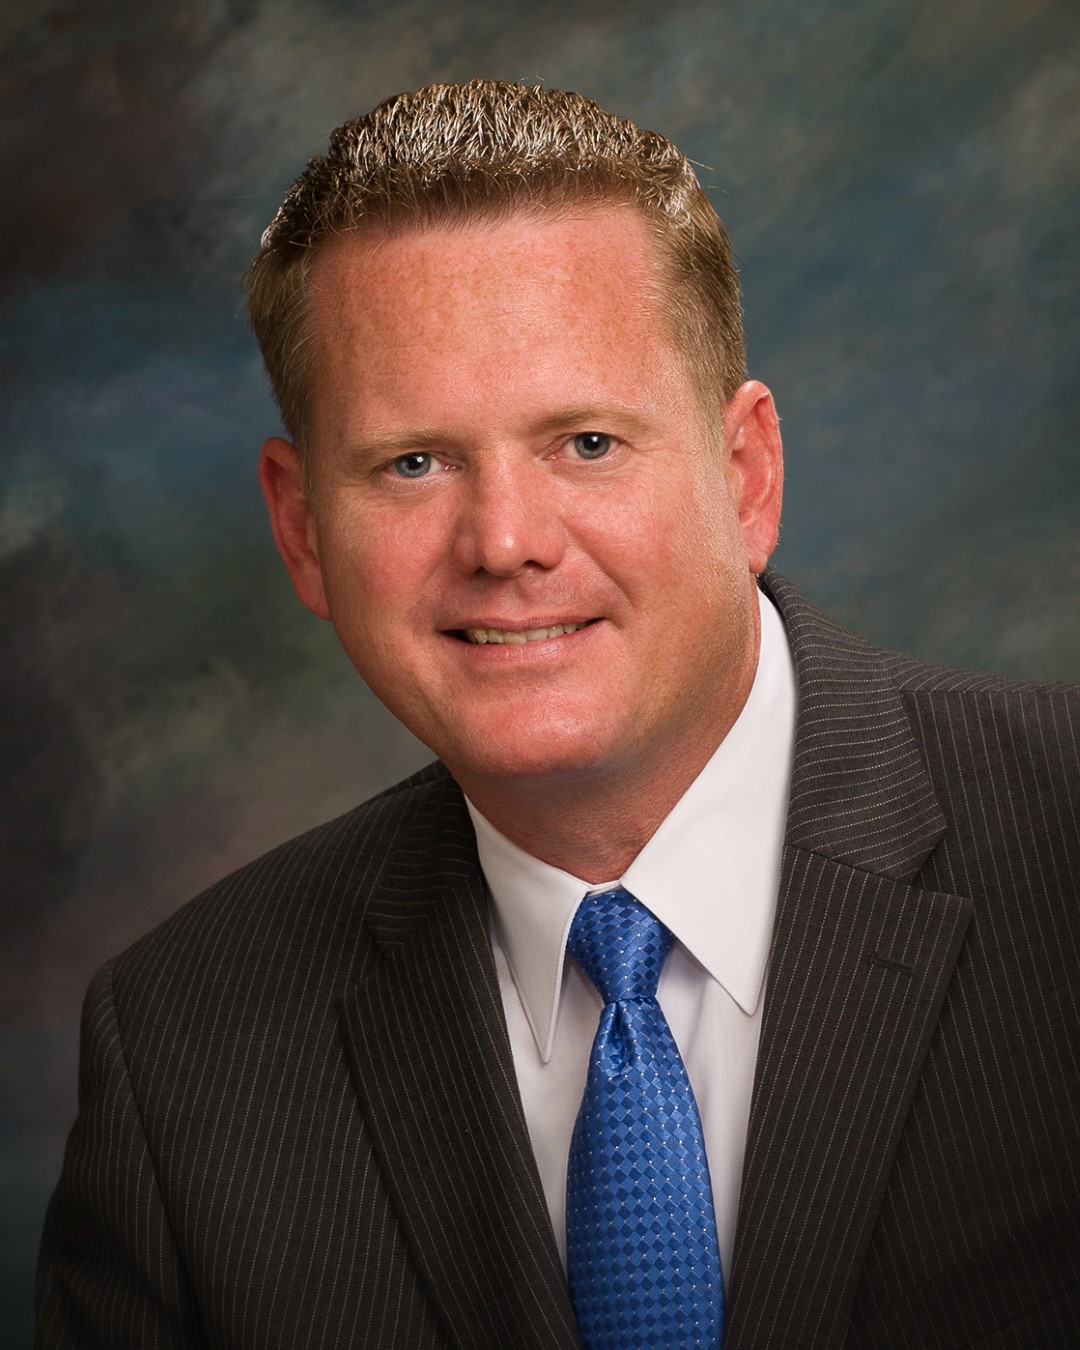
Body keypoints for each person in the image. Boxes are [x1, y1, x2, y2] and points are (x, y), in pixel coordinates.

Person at [36, 80, 1078, 1350]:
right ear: (303, 530)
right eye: (413, 462)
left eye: (586, 442)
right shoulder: (184, 1050)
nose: (505, 542)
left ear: (746, 477)